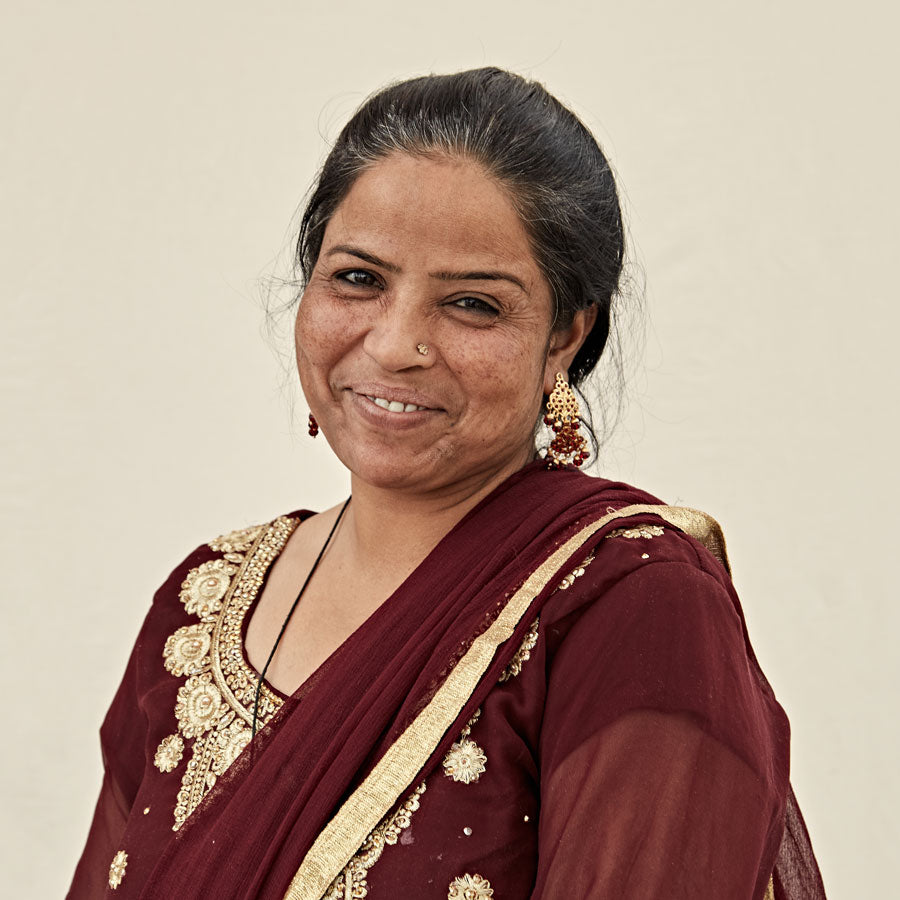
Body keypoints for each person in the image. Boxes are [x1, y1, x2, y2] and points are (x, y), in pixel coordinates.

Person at [67, 68, 826, 899]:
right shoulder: (200, 603)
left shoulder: (629, 608)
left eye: (471, 304)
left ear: (566, 337)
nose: (394, 344)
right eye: (357, 279)